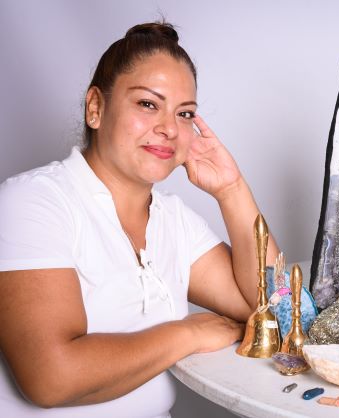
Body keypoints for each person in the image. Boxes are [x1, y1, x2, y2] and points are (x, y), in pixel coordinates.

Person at [0, 21, 279, 417]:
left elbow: (274, 306)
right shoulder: (33, 202)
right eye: (148, 104)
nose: (169, 129)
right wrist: (187, 332)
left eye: (184, 113)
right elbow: (51, 378)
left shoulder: (173, 220)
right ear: (96, 108)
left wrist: (231, 190)